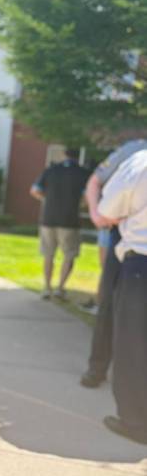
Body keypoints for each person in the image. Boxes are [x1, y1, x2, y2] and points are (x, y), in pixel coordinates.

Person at [80, 137, 147, 387]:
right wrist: (97, 215)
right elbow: (95, 181)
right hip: (126, 233)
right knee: (109, 301)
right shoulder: (134, 150)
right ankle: (97, 368)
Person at [95, 149, 147, 443]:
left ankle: (136, 422)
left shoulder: (140, 162)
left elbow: (106, 213)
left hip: (142, 263)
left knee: (134, 346)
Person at [30, 148, 91, 300]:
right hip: (70, 220)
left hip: (48, 218)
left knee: (48, 254)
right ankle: (60, 288)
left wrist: (47, 199)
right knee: (69, 255)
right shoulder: (83, 173)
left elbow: (34, 190)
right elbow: (87, 197)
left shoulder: (51, 170)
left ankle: (46, 287)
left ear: (64, 154)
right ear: (78, 156)